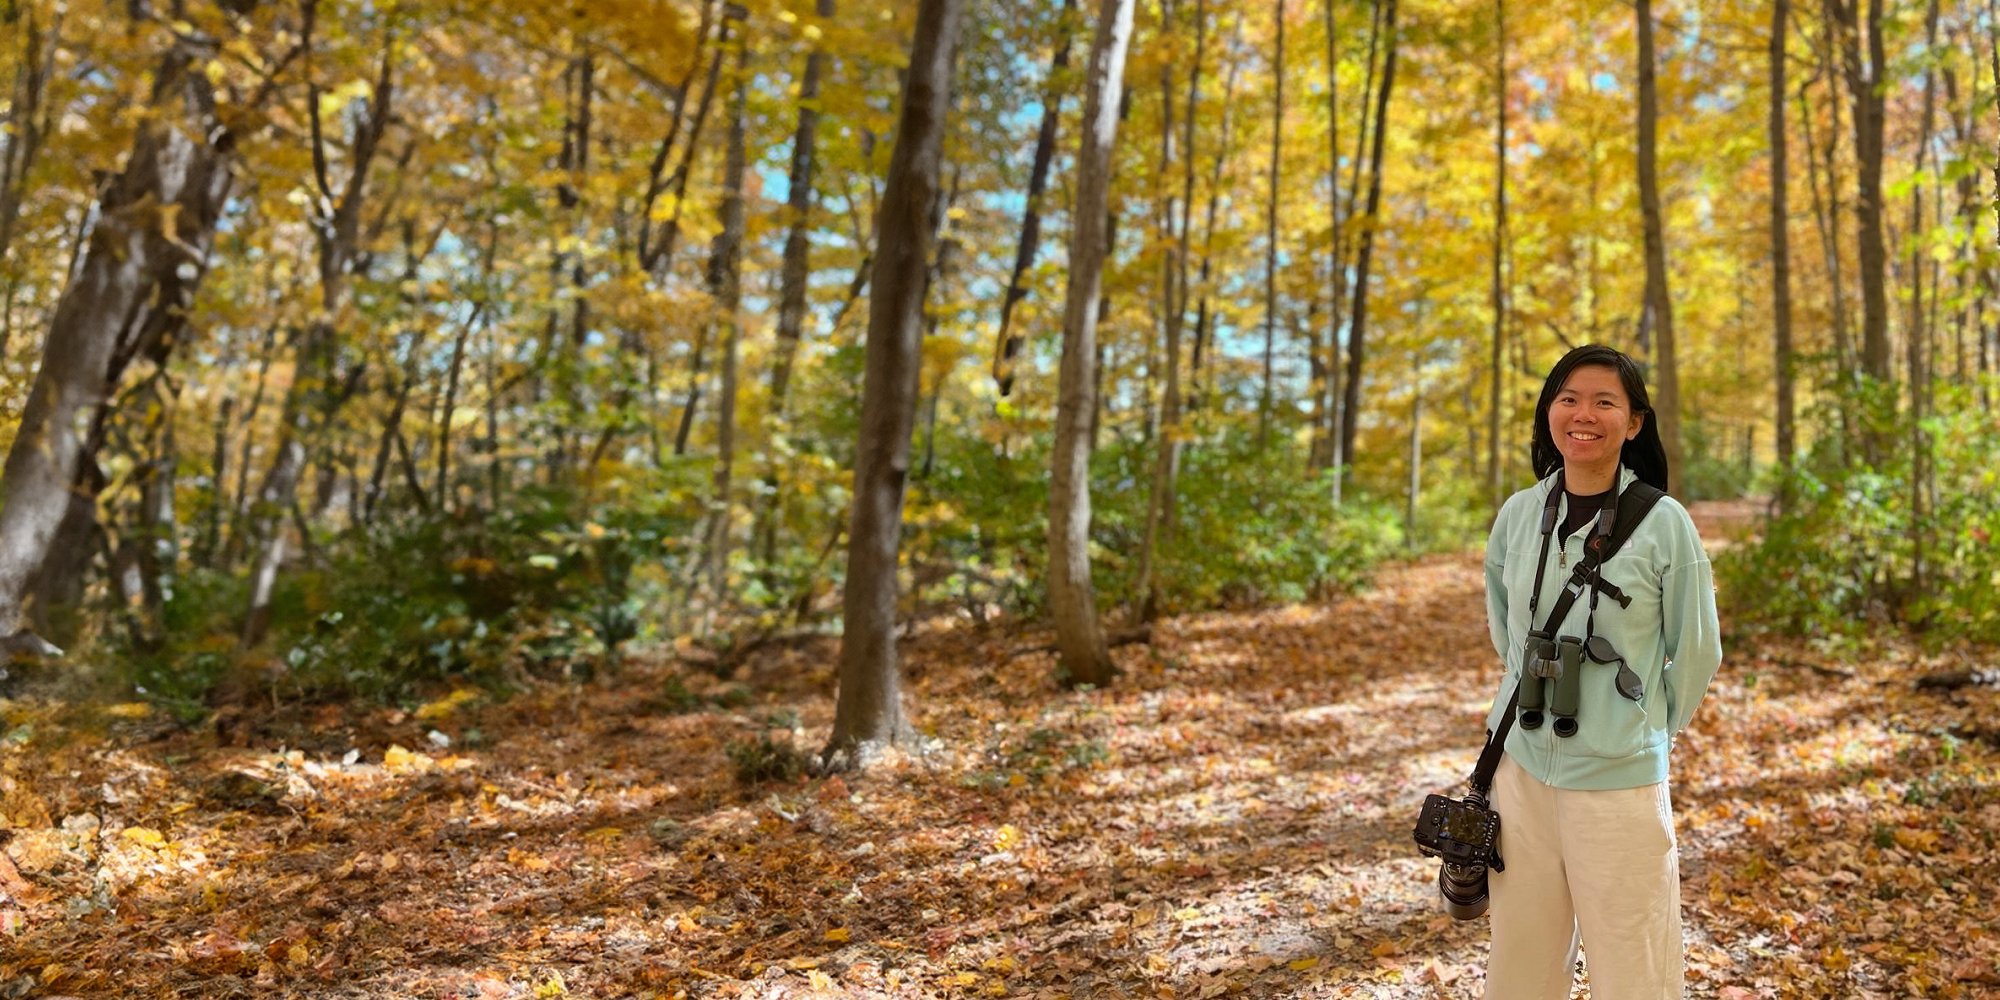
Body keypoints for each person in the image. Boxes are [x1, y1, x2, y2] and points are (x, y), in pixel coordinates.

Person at [1480, 344, 1722, 1000]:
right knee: (1521, 962)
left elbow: (1697, 650)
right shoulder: (1518, 515)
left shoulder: (1665, 525)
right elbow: (1507, 631)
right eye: (1569, 398)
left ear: (1634, 422)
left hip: (1619, 783)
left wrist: (1646, 730)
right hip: (1521, 769)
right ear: (1548, 412)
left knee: (1636, 967)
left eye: (1604, 401)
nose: (1583, 414)